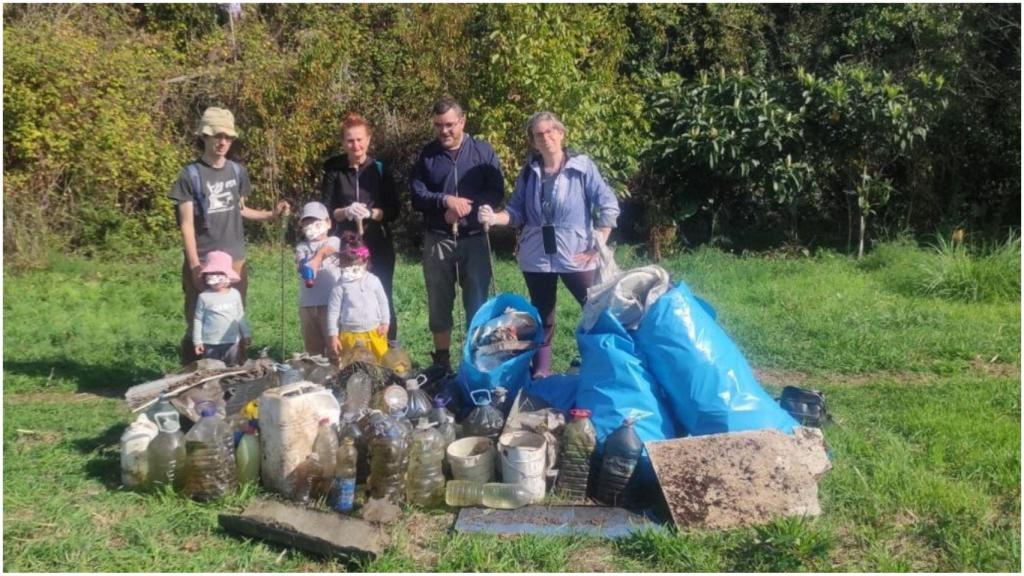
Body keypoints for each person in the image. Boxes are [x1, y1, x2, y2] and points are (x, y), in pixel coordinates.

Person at [478, 111, 620, 378]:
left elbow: (608, 204)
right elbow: (516, 211)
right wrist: (494, 218)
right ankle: (540, 374)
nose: (545, 138)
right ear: (533, 141)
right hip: (537, 257)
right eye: (539, 134)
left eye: (550, 131)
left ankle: (608, 366)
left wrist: (598, 244)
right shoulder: (529, 172)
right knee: (543, 315)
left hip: (577, 254)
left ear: (561, 133)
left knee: (596, 310)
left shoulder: (582, 167)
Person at [169, 106, 289, 365]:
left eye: (228, 137)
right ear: (205, 136)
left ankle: (234, 375)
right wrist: (194, 266)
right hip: (204, 260)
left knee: (233, 319)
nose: (223, 142)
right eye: (217, 136)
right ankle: (194, 377)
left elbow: (241, 209)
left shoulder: (237, 171)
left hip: (235, 261)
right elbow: (186, 225)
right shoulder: (190, 175)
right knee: (198, 320)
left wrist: (271, 214)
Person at [411, 98, 504, 373]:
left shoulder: (482, 151)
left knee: (477, 301)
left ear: (462, 121)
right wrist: (445, 201)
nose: (444, 131)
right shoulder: (427, 155)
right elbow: (417, 195)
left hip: (475, 238)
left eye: (450, 125)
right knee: (439, 301)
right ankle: (442, 362)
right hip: (438, 239)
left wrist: (464, 209)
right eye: (439, 125)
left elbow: (496, 191)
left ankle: (476, 362)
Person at [320, 113, 401, 344]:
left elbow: (394, 210)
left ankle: (386, 347)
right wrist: (345, 211)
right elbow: (326, 210)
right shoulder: (334, 170)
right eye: (350, 140)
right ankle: (346, 348)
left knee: (381, 294)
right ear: (343, 142)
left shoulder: (380, 169)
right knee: (345, 295)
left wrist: (372, 213)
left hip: (377, 243)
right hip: (346, 244)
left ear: (368, 139)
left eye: (359, 139)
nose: (355, 145)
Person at [327, 232, 391, 362]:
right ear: (342, 264)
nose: (353, 270)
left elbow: (383, 303)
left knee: (380, 364)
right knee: (352, 366)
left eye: (357, 267)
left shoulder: (374, 281)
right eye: (348, 267)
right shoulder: (340, 285)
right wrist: (333, 335)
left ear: (365, 262)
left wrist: (385, 322)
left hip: (374, 333)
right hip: (350, 336)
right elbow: (333, 311)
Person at [295, 201, 341, 358]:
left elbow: (327, 250)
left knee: (334, 346)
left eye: (316, 223)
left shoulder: (333, 240)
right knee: (312, 348)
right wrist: (303, 265)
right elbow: (299, 263)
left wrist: (316, 261)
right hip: (307, 304)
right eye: (307, 224)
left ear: (328, 223)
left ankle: (336, 370)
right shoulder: (302, 246)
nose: (311, 228)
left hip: (330, 303)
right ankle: (315, 370)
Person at [192, 250, 252, 366]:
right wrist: (197, 341)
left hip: (232, 342)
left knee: (232, 367)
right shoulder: (204, 297)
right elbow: (198, 319)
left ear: (228, 276)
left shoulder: (234, 294)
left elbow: (240, 316)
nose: (215, 280)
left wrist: (246, 334)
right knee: (211, 369)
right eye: (211, 275)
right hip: (210, 343)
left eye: (219, 275)